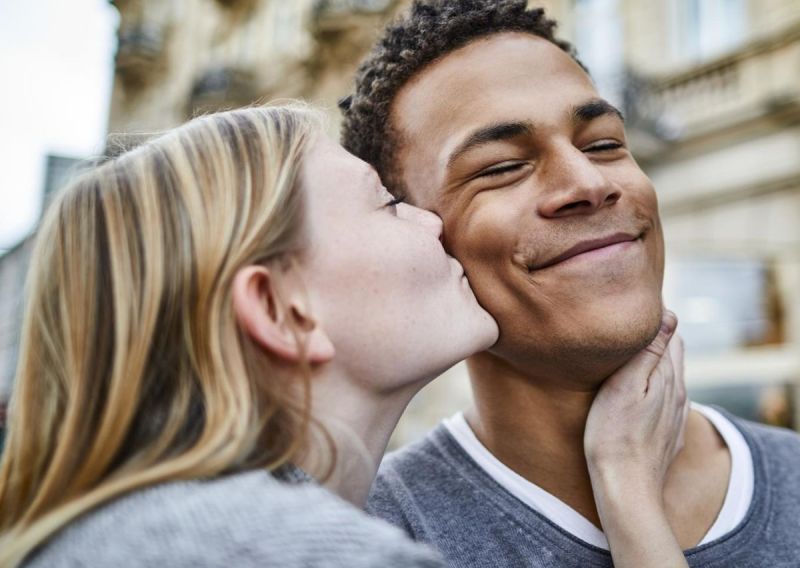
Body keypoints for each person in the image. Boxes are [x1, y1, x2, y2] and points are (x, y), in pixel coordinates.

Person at [0, 103, 685, 568]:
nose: (433, 224)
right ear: (282, 310)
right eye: (387, 204)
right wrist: (628, 491)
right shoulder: (303, 552)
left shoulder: (128, 530)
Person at [340, 0, 800, 567]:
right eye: (503, 167)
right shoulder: (365, 539)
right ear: (412, 241)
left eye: (604, 143)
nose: (588, 182)